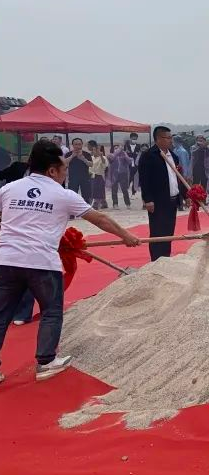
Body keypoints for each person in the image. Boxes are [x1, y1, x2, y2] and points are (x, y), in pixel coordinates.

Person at [0, 140, 140, 384]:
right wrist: (126, 236)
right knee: (51, 311)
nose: (65, 174)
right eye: (63, 169)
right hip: (41, 262)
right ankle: (45, 362)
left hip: (6, 261)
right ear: (52, 170)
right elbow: (100, 219)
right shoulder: (63, 195)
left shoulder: (9, 189)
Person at [139, 127, 188, 262]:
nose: (170, 140)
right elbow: (144, 180)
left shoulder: (174, 156)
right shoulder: (149, 155)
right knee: (157, 233)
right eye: (167, 138)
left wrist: (186, 195)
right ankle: (156, 261)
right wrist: (148, 199)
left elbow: (178, 178)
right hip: (157, 201)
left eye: (171, 137)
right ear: (159, 138)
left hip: (172, 200)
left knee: (168, 232)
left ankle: (165, 259)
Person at [108, 143, 133, 209]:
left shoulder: (123, 154)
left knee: (124, 189)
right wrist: (118, 151)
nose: (117, 149)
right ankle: (115, 204)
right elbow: (111, 158)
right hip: (114, 175)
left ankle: (128, 204)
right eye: (115, 148)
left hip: (123, 174)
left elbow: (129, 161)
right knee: (114, 190)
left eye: (118, 147)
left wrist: (125, 155)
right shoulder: (111, 155)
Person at [87, 141, 109, 210]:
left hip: (99, 176)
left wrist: (101, 156)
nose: (95, 151)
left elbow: (104, 165)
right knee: (92, 190)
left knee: (98, 190)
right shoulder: (91, 158)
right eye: (94, 150)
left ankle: (96, 204)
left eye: (97, 150)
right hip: (91, 176)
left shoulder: (103, 158)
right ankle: (103, 203)